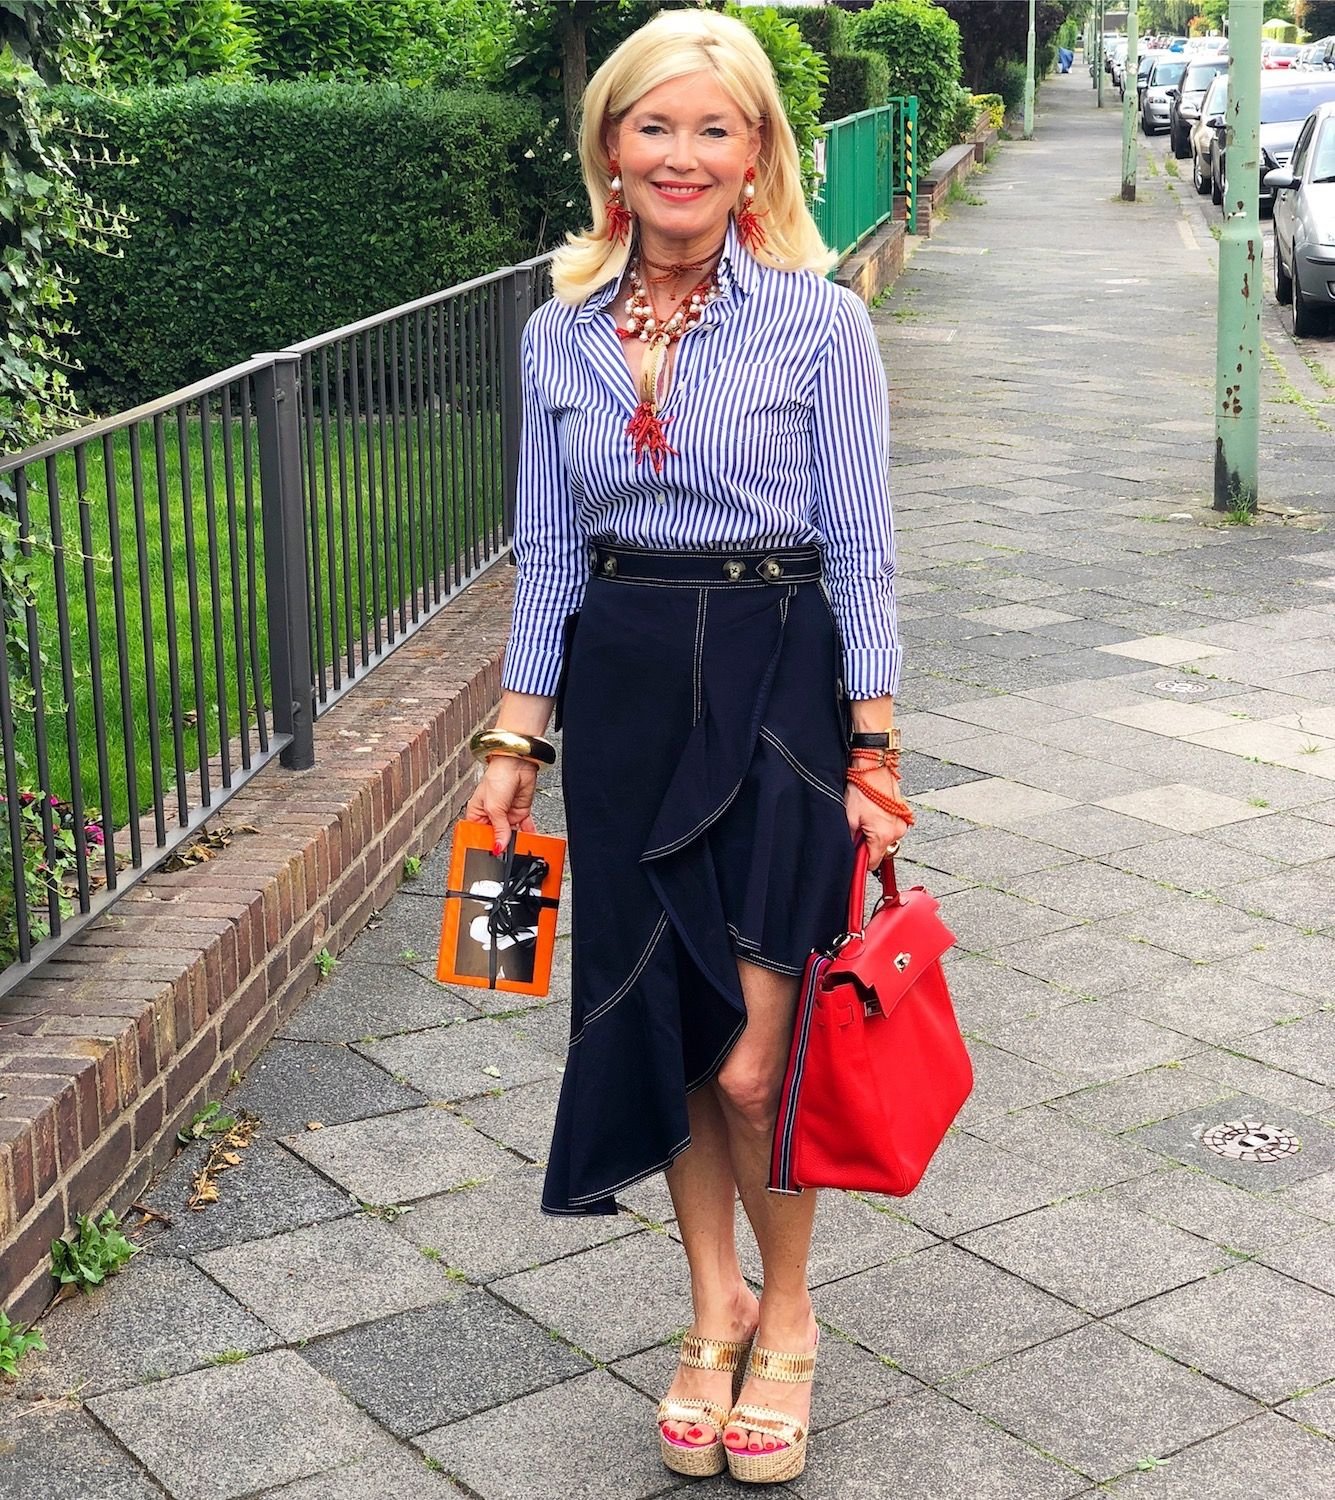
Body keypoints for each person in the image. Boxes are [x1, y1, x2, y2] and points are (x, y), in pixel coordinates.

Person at [465, 9, 906, 1486]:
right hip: (629, 692)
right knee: (661, 1019)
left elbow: (861, 547)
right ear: (610, 146)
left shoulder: (819, 323)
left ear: (758, 150)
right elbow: (547, 549)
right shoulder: (559, 333)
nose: (682, 155)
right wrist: (516, 735)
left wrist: (875, 749)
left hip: (780, 688)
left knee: (756, 1056)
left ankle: (792, 1311)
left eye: (714, 128)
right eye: (654, 125)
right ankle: (713, 1307)